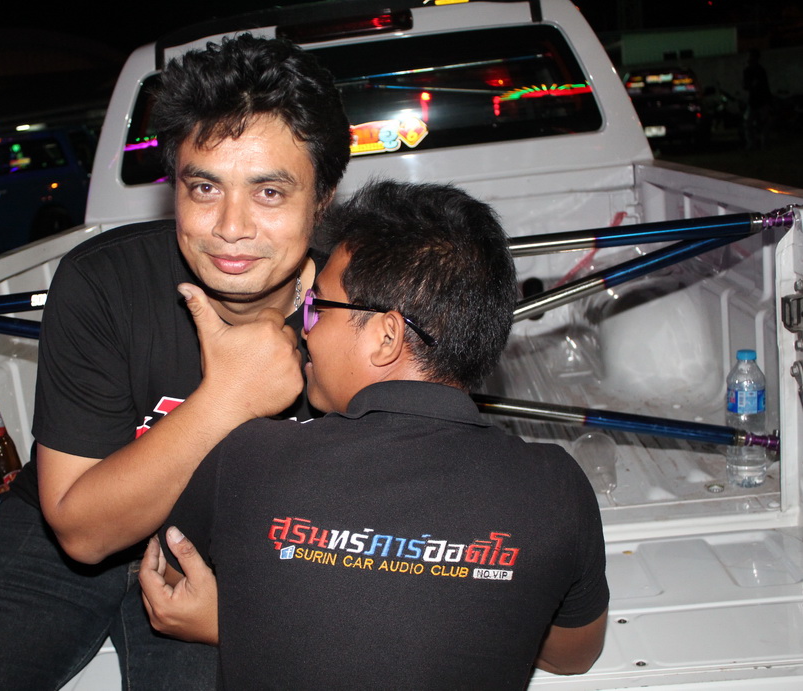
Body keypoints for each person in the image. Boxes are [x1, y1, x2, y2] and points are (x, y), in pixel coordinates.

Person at [0, 34, 351, 689]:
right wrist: (229, 398)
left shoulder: (356, 311)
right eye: (204, 187)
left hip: (243, 542)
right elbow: (81, 531)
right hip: (72, 525)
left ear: (322, 198)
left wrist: (252, 615)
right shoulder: (103, 281)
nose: (231, 225)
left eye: (269, 192)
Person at [141, 180, 609, 688]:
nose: (304, 327)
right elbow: (573, 655)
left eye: (318, 307)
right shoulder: (556, 489)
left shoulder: (249, 457)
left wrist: (228, 624)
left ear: (387, 337)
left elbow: (168, 582)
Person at [742, 48, 772, 150]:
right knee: (749, 123)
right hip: (754, 101)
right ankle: (753, 143)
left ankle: (762, 143)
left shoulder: (760, 70)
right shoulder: (748, 70)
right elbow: (745, 85)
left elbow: (765, 86)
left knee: (763, 123)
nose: (749, 59)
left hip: (761, 100)